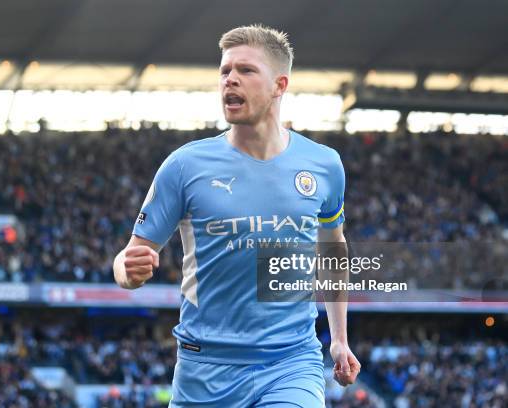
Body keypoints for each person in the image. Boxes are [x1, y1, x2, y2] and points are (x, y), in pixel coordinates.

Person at [114, 24, 360, 407]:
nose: (230, 80)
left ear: (280, 85)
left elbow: (332, 247)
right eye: (225, 71)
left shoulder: (324, 165)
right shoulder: (184, 166)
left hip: (291, 361)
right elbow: (128, 258)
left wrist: (340, 339)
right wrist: (127, 271)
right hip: (205, 367)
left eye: (245, 71)